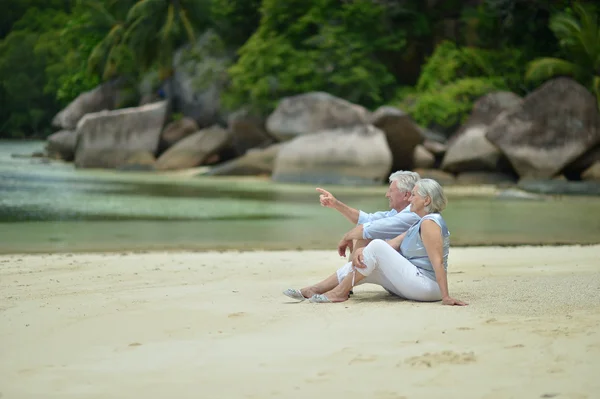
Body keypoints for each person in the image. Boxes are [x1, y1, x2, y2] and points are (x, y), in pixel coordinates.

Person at [283, 178, 467, 306]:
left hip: (427, 287)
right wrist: (363, 253)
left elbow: (438, 262)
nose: (410, 198)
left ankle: (339, 294)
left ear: (426, 199)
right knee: (368, 261)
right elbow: (392, 244)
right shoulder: (419, 222)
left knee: (375, 246)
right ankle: (314, 289)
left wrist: (446, 296)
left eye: (414, 195)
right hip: (416, 283)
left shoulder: (430, 223)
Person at [316, 170, 422, 259]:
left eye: (391, 191)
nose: (387, 195)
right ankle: (347, 277)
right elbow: (366, 220)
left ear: (406, 194)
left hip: (414, 272)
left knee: (365, 236)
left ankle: (347, 278)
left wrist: (346, 238)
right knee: (364, 236)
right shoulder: (397, 212)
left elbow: (366, 229)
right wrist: (335, 204)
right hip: (403, 267)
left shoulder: (411, 214)